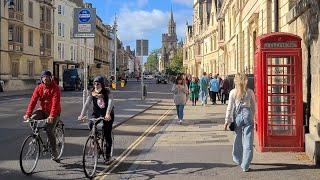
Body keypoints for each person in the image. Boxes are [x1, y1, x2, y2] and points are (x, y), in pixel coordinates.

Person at [23, 70, 61, 161]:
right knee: (32, 119)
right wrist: (28, 114)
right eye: (44, 78)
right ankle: (36, 136)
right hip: (43, 110)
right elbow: (33, 101)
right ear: (41, 79)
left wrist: (51, 116)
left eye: (48, 77)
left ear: (51, 78)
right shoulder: (39, 88)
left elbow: (55, 103)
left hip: (54, 112)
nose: (46, 79)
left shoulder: (55, 88)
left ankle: (54, 151)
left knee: (49, 130)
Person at [224, 73, 256, 172]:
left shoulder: (233, 92)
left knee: (237, 138)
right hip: (248, 115)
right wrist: (253, 117)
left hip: (237, 116)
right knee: (248, 140)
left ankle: (238, 159)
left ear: (236, 81)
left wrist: (226, 121)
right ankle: (245, 165)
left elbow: (229, 107)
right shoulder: (250, 91)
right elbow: (253, 106)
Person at [78, 76, 115, 163]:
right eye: (94, 83)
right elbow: (87, 104)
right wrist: (81, 115)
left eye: (98, 83)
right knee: (91, 124)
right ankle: (96, 139)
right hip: (97, 113)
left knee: (107, 133)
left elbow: (110, 102)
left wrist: (107, 113)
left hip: (108, 114)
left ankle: (108, 156)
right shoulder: (92, 92)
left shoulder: (107, 92)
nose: (96, 85)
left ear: (102, 84)